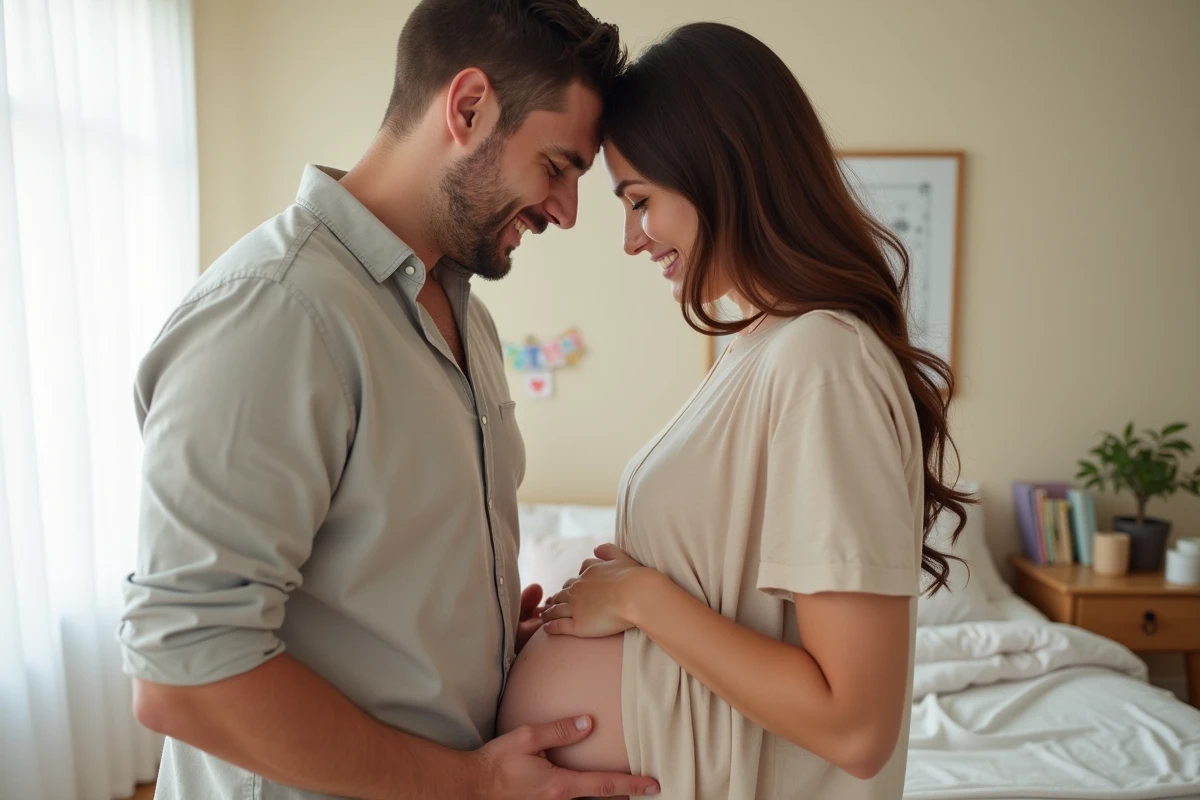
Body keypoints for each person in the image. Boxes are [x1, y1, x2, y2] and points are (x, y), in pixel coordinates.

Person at [117, 1, 660, 798]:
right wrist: (474, 785)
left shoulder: (464, 321)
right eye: (557, 167)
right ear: (468, 107)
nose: (567, 213)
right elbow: (184, 675)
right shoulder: (277, 311)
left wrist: (469, 633)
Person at [497, 21, 972, 799]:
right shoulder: (758, 349)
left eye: (640, 200)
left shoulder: (825, 361)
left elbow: (854, 726)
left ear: (720, 172)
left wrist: (642, 601)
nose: (630, 239)